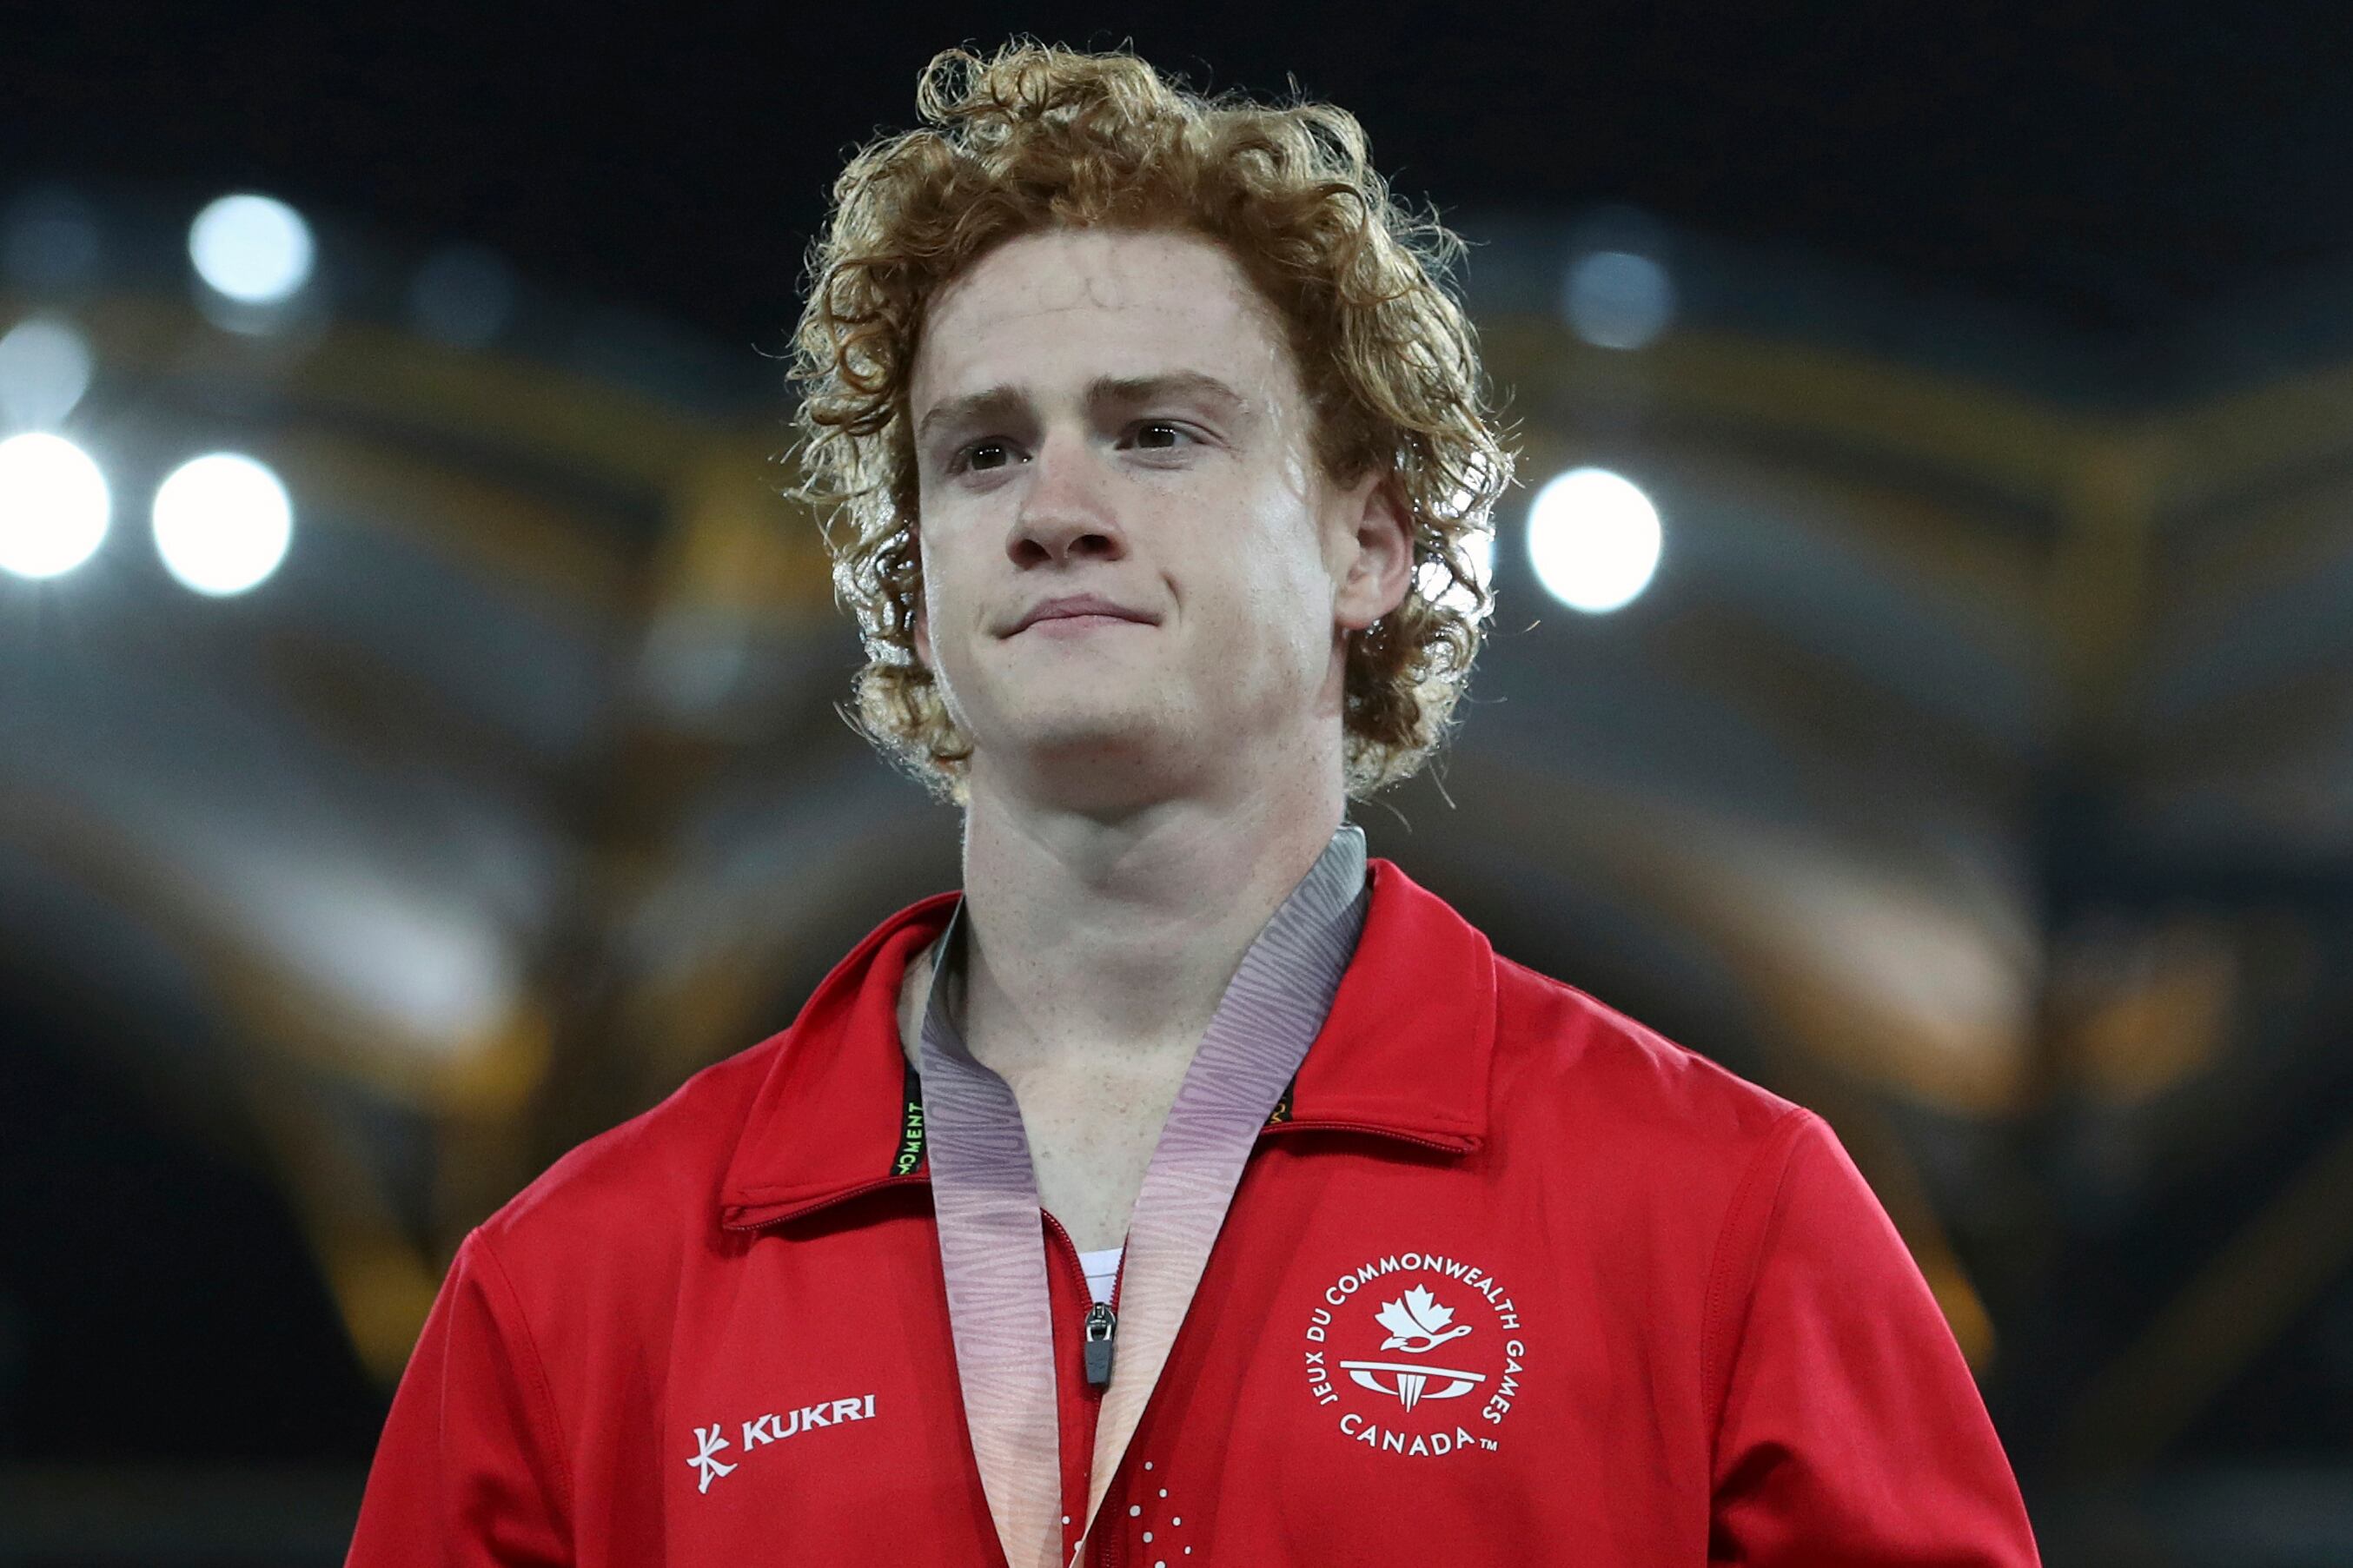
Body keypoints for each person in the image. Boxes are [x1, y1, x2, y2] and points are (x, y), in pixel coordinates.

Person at [348, 42, 2042, 1568]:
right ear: (907, 575)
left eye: (1157, 435)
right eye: (982, 452)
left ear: (1369, 545)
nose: (1055, 509)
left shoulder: (1719, 1221)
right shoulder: (575, 1291)